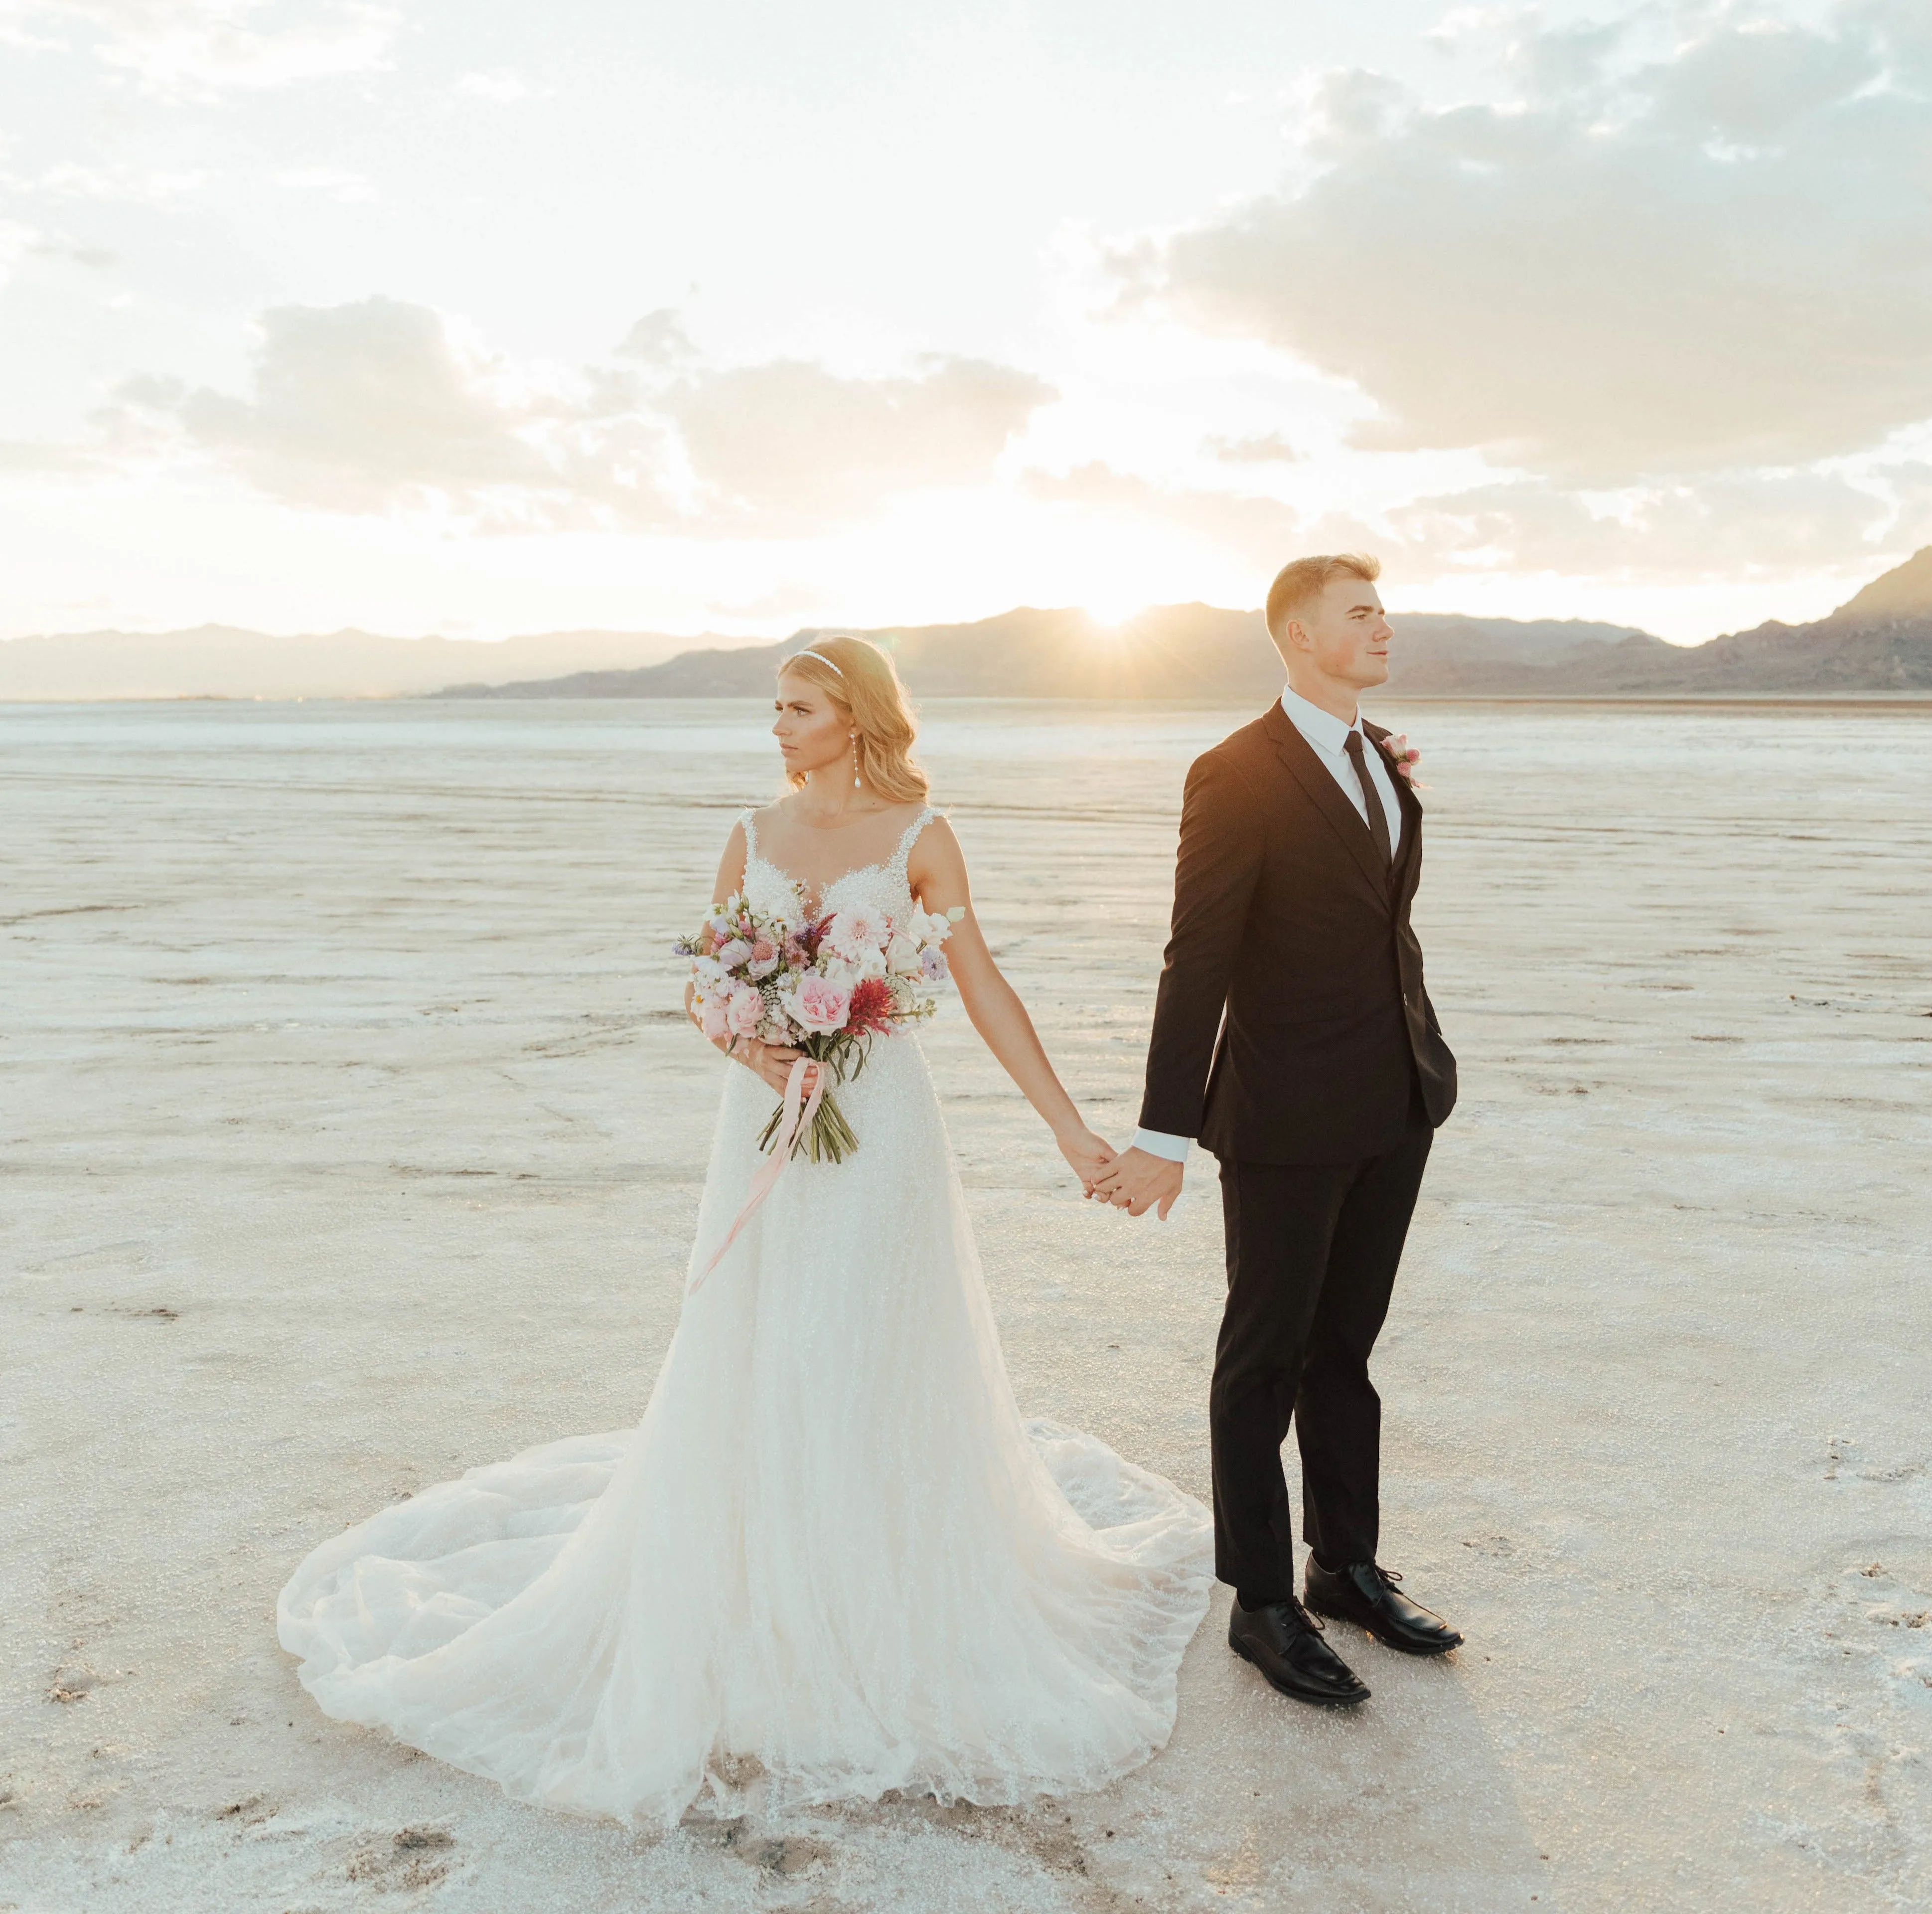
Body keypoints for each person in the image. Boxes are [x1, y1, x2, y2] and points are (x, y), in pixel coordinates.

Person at [278, 635, 1213, 1827]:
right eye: (776, 706)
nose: (777, 726)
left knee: (863, 1344)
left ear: (857, 716)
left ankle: (877, 1595)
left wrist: (1069, 1131)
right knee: (759, 1337)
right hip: (763, 1120)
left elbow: (980, 987)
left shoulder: (923, 838)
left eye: (800, 707)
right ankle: (752, 1590)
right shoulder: (751, 834)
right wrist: (749, 1041)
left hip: (879, 1130)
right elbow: (706, 980)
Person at [1093, 555, 1462, 1708]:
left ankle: (1345, 1565)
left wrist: (1423, 1065)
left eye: (1384, 610)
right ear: (1299, 637)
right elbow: (1195, 955)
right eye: (1362, 615)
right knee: (1264, 1358)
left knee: (1347, 1349)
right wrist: (1163, 1129)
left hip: (1397, 1100)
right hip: (1285, 1115)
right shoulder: (1235, 773)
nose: (1385, 627)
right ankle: (1261, 1601)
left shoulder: (1379, 759)